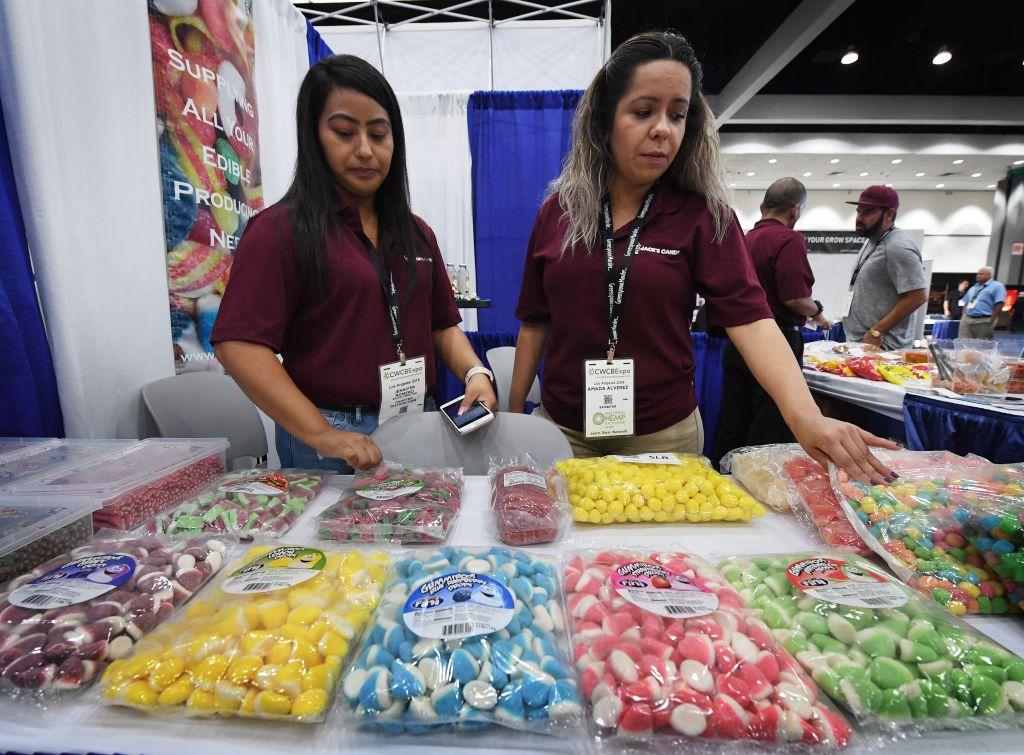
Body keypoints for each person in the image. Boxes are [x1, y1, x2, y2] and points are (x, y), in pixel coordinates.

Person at [507, 31, 896, 482]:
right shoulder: (559, 212)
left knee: (663, 556)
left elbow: (751, 320)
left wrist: (805, 416)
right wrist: (515, 414)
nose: (662, 129)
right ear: (604, 119)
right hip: (563, 431)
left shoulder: (704, 217)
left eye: (678, 115)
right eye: (643, 111)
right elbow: (536, 321)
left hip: (660, 438)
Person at [212, 55, 496, 473]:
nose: (365, 150)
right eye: (344, 132)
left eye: (379, 134)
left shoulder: (416, 232)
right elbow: (238, 345)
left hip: (416, 421)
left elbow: (441, 324)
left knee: (421, 536)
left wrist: (475, 372)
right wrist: (320, 433)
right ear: (313, 135)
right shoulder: (280, 229)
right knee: (333, 541)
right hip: (332, 437)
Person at [712, 178, 829, 465]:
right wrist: (817, 311)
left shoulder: (743, 238)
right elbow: (793, 298)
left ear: (763, 206)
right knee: (770, 425)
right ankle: (761, 489)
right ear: (795, 211)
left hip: (737, 341)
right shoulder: (789, 240)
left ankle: (723, 481)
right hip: (775, 339)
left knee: (733, 420)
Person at [842, 185, 928, 349]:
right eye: (859, 211)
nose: (859, 218)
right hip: (863, 342)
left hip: (883, 347)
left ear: (889, 214)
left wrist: (877, 331)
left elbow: (917, 296)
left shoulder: (898, 246)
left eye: (868, 212)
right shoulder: (873, 240)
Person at [959, 266, 1007, 339]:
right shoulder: (973, 287)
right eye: (977, 274)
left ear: (989, 275)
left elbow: (999, 304)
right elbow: (966, 303)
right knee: (963, 343)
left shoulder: (997, 286)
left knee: (982, 345)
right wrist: (964, 316)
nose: (977, 275)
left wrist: (991, 321)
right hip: (967, 320)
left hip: (984, 320)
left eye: (981, 274)